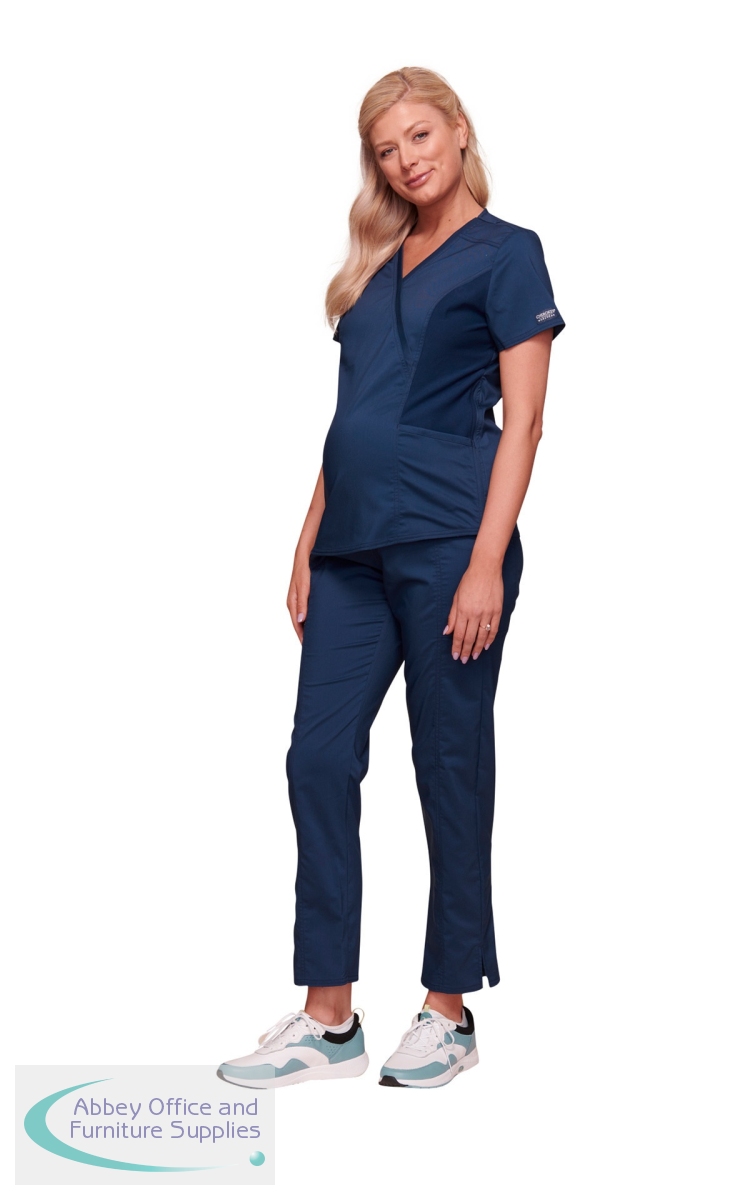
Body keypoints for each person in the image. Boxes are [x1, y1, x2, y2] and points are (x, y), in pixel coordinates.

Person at [218, 66, 565, 1091]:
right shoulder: (371, 271)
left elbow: (525, 422)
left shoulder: (507, 253)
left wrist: (485, 562)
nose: (406, 159)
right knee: (317, 760)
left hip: (450, 542)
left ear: (457, 131)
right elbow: (351, 419)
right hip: (350, 553)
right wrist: (305, 541)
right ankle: (329, 1020)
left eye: (419, 134)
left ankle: (447, 1010)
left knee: (445, 763)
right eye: (385, 148)